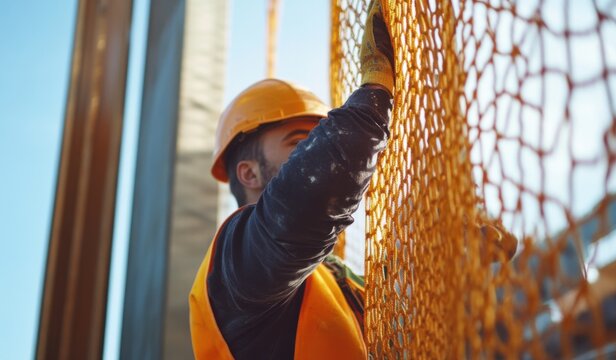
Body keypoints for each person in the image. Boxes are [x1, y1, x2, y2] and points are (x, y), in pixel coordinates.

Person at [189, 1, 516, 358]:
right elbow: (302, 200)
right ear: (248, 172)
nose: (314, 150)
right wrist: (372, 95)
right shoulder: (236, 268)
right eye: (300, 142)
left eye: (318, 139)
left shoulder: (331, 283)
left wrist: (435, 265)